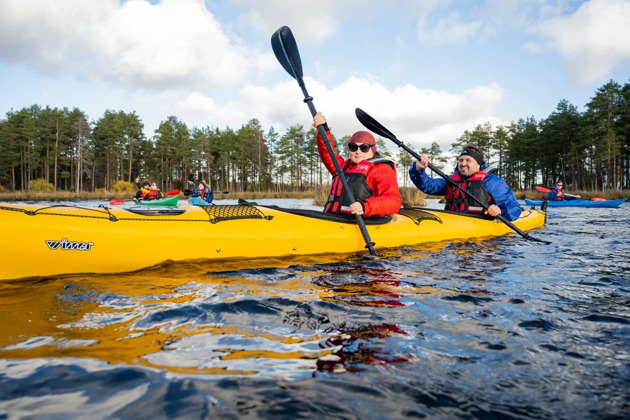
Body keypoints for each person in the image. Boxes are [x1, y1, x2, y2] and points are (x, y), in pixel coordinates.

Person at [312, 112, 402, 217]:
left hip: (366, 222)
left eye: (364, 147)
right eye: (353, 147)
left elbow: (394, 200)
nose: (358, 152)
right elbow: (327, 152)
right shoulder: (342, 166)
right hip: (335, 219)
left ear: (372, 150)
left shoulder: (381, 169)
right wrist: (324, 129)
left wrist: (365, 206)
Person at [409, 145, 522, 221]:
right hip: (452, 222)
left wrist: (500, 210)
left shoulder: (492, 182)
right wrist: (418, 169)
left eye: (468, 160)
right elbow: (428, 186)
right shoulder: (451, 180)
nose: (463, 163)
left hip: (481, 228)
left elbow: (514, 208)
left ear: (478, 164)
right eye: (461, 160)